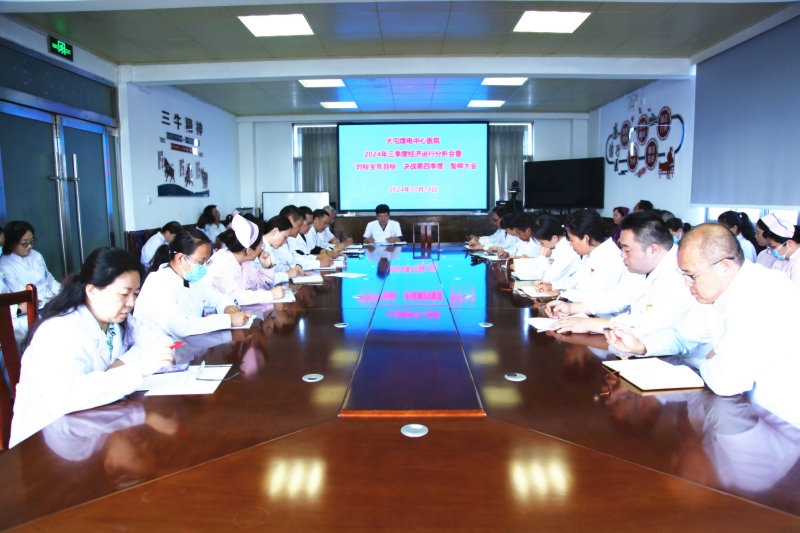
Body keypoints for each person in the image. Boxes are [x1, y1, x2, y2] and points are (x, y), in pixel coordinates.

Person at [605, 224, 800, 426]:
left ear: (724, 267)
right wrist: (640, 345)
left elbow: (726, 381)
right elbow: (682, 337)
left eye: (691, 275)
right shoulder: (717, 291)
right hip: (740, 411)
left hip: (780, 422)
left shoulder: (764, 293)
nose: (687, 283)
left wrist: (706, 361)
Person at [9, 247, 175, 448]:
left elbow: (160, 341)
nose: (131, 303)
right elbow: (65, 397)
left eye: (136, 294)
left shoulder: (117, 320)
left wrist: (121, 363)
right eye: (124, 294)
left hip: (97, 425)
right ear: (92, 291)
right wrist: (137, 369)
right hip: (47, 442)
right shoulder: (58, 330)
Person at [545, 211, 692, 336]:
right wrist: (572, 308)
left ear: (653, 249)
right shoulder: (642, 266)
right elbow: (617, 297)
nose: (622, 255)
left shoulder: (680, 275)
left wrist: (591, 324)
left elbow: (652, 322)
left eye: (627, 249)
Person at [135, 229, 251, 338]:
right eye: (200, 262)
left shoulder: (193, 280)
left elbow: (219, 298)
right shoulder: (157, 282)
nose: (204, 267)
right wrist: (228, 320)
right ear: (180, 258)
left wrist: (229, 309)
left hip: (188, 345)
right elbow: (179, 327)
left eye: (206, 262)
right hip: (157, 348)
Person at [533, 209, 628, 301]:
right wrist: (552, 286)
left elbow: (593, 297)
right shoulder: (590, 253)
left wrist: (562, 292)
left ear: (586, 238)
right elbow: (577, 280)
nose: (570, 244)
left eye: (572, 240)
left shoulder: (612, 258)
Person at [202, 215, 285, 305]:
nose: (262, 250)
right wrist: (270, 295)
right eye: (261, 247)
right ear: (249, 251)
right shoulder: (221, 262)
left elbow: (258, 285)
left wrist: (267, 267)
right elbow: (235, 296)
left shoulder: (244, 261)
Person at [0, 220, 61, 304]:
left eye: (31, 241)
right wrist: (48, 300)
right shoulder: (4, 265)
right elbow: (22, 293)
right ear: (11, 243)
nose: (29, 246)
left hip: (52, 299)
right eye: (24, 243)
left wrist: (62, 293)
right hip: (35, 304)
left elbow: (49, 279)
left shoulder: (36, 255)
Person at [274, 205, 332, 269]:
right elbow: (291, 261)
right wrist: (319, 263)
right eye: (299, 225)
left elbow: (296, 256)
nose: (299, 228)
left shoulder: (287, 239)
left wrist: (316, 258)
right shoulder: (278, 240)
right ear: (290, 220)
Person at [530, 214, 580, 286]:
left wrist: (542, 257)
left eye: (542, 243)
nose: (542, 246)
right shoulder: (555, 247)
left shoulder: (567, 250)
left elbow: (548, 279)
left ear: (554, 238)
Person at [261, 215, 309, 283]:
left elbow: (278, 267)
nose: (284, 242)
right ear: (275, 231)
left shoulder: (269, 248)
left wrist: (295, 268)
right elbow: (262, 279)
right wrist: (286, 275)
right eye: (285, 237)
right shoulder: (259, 248)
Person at [762, 213, 800, 288]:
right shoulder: (785, 257)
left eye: (773, 246)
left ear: (789, 243)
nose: (771, 250)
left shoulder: (798, 263)